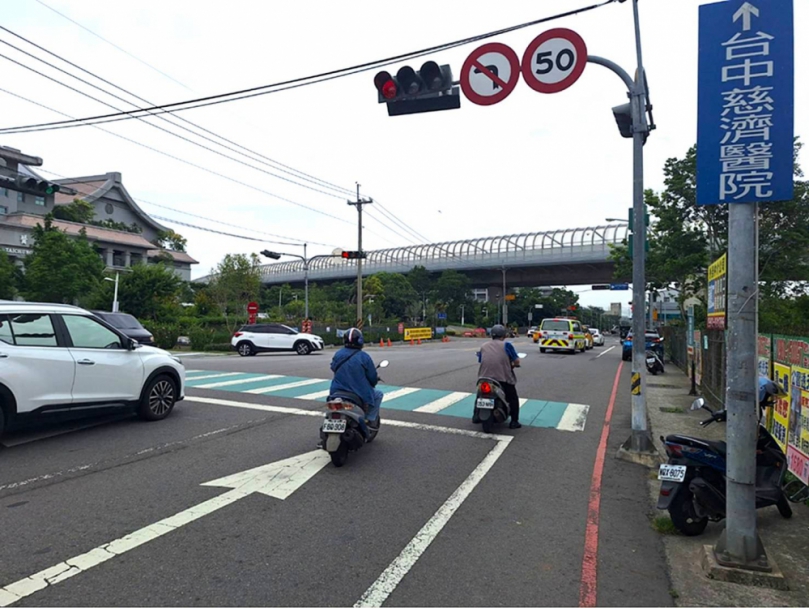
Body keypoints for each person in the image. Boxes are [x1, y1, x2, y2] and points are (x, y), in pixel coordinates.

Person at [330, 328, 382, 428]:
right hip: (358, 392)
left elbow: (333, 367)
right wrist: (374, 381)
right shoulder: (364, 357)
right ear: (360, 341)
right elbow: (372, 377)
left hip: (336, 391)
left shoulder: (338, 354)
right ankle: (370, 420)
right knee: (378, 394)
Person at [477, 324, 522, 429]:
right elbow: (516, 361)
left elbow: (480, 360)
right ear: (504, 335)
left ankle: (476, 415)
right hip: (502, 379)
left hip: (484, 378)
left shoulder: (483, 346)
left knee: (479, 394)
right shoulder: (507, 345)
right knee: (513, 398)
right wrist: (514, 364)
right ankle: (514, 421)